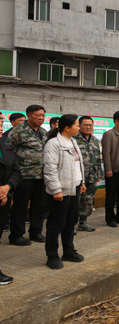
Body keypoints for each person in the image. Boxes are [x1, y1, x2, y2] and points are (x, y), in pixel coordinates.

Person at [43, 114, 86, 269]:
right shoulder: (54, 144)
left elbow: (77, 165)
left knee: (70, 221)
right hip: (60, 190)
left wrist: (82, 182)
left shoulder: (73, 142)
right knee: (56, 224)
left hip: (74, 188)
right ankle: (52, 255)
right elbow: (50, 169)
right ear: (67, 127)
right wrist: (55, 189)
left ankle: (68, 250)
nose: (79, 127)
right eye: (76, 125)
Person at [7, 105, 48, 246]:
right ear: (29, 115)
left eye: (43, 115)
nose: (41, 118)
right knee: (20, 206)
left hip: (41, 175)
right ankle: (16, 235)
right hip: (23, 176)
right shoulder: (18, 131)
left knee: (39, 205)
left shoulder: (43, 132)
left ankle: (35, 232)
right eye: (38, 115)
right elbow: (9, 153)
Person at [73, 116, 102, 232]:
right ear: (79, 125)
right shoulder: (73, 139)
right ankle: (71, 225)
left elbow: (98, 158)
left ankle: (83, 223)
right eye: (85, 124)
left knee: (88, 201)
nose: (88, 127)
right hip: (78, 176)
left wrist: (99, 173)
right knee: (75, 201)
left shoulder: (94, 140)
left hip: (92, 176)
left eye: (90, 125)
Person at [0, 135, 22, 283]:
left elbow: (16, 171)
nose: (1, 126)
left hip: (4, 198)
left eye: (1, 123)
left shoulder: (6, 147)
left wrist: (7, 187)